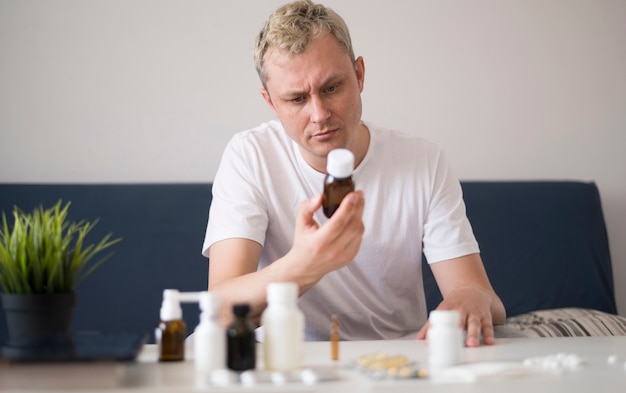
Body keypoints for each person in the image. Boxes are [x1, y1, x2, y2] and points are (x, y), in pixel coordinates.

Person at [202, 0, 506, 347]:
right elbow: (221, 310)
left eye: (331, 88)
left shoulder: (423, 161)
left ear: (359, 75)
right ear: (270, 102)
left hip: (394, 362)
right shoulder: (250, 156)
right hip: (289, 362)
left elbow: (482, 296)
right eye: (297, 99)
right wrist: (306, 264)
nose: (319, 114)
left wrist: (472, 300)